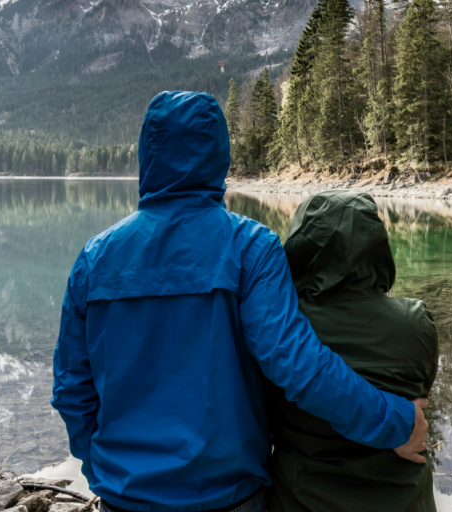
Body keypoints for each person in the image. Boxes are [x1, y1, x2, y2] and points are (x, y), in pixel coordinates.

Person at [50, 91, 429, 512]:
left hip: (124, 499)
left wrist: (106, 468)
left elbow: (71, 390)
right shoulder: (251, 246)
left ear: (147, 153)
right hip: (229, 497)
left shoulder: (94, 257)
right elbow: (298, 367)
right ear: (220, 155)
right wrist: (396, 422)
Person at [268, 190, 440, 512]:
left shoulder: (282, 330)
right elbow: (422, 394)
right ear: (376, 245)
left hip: (301, 501)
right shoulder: (415, 323)